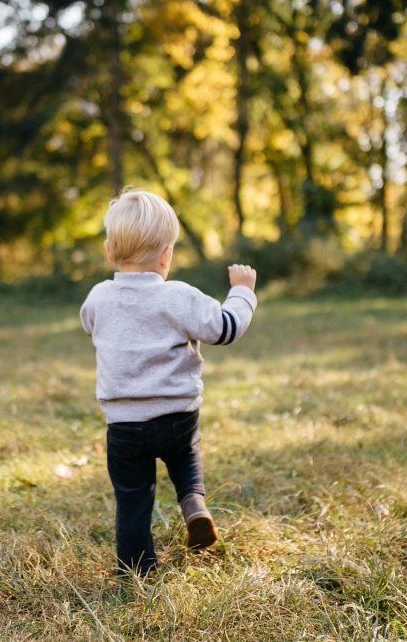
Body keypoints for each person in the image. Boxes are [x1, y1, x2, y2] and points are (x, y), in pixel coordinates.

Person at [80, 189, 259, 577]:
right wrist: (243, 292)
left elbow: (89, 324)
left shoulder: (99, 297)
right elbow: (226, 328)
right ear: (166, 255)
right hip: (178, 417)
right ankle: (193, 502)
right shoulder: (179, 296)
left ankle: (137, 570)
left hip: (124, 426)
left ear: (109, 252)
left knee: (132, 499)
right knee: (184, 453)